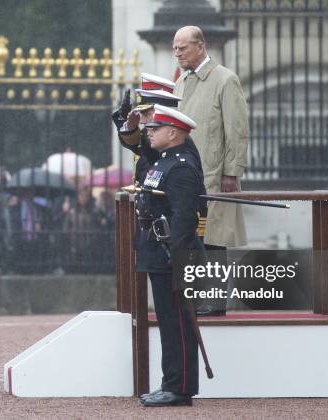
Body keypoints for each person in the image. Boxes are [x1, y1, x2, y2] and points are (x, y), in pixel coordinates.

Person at [173, 25, 250, 316]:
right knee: (191, 238)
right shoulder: (180, 82)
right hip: (187, 176)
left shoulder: (225, 79)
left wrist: (232, 171)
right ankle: (196, 296)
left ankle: (215, 300)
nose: (177, 52)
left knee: (214, 240)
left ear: (201, 46)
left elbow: (237, 130)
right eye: (175, 48)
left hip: (214, 175)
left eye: (183, 47)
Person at [135, 105, 203, 407]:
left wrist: (177, 258)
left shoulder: (182, 167)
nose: (150, 131)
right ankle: (170, 382)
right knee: (167, 322)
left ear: (173, 133)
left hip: (173, 256)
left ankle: (180, 387)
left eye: (156, 128)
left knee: (178, 322)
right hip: (158, 252)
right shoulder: (163, 162)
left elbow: (186, 218)